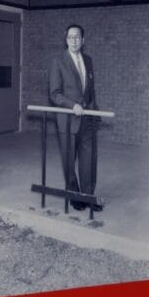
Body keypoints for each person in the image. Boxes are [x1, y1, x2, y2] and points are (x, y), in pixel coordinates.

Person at [48, 23, 101, 211]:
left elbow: (91, 91)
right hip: (68, 121)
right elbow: (55, 93)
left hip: (87, 120)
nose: (74, 40)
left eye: (77, 37)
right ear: (66, 40)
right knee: (69, 161)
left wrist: (95, 112)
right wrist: (73, 105)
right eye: (70, 37)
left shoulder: (88, 60)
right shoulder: (58, 61)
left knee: (89, 160)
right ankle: (74, 195)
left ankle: (88, 196)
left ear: (83, 40)